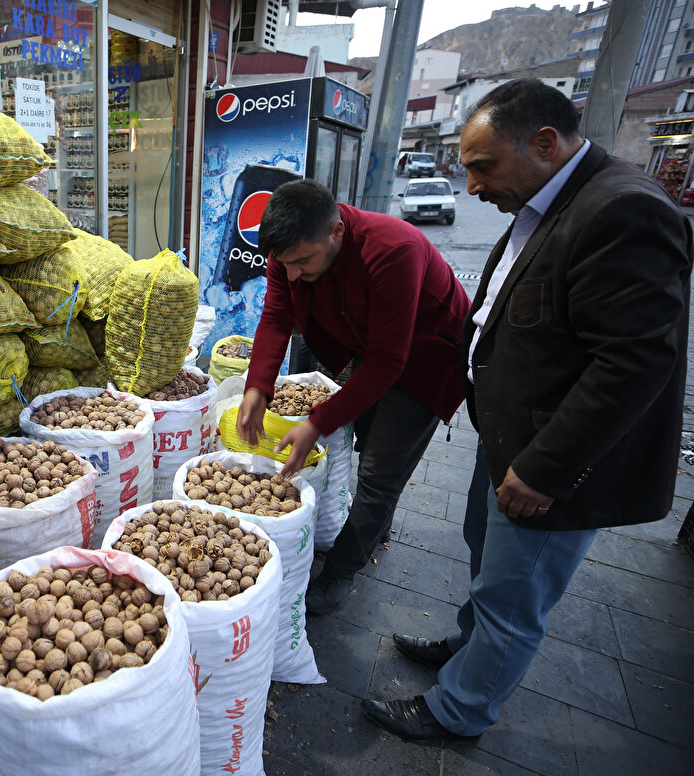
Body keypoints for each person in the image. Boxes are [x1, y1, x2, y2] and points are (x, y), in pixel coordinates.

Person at [362, 79, 692, 740]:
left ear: (545, 143)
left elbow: (633, 365)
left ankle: (459, 710)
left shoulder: (622, 211)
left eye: (484, 166)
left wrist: (543, 470)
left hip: (550, 465)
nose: (474, 187)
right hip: (509, 439)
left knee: (515, 598)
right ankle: (467, 645)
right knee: (487, 565)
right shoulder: (549, 201)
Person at [237, 179, 471, 615]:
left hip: (428, 354)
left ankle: (343, 569)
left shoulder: (393, 250)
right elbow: (275, 316)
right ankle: (374, 521)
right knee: (365, 437)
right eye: (283, 263)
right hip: (374, 344)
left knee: (382, 469)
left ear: (337, 232)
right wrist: (258, 386)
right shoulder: (290, 252)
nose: (291, 273)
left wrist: (317, 422)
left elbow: (389, 360)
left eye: (302, 262)